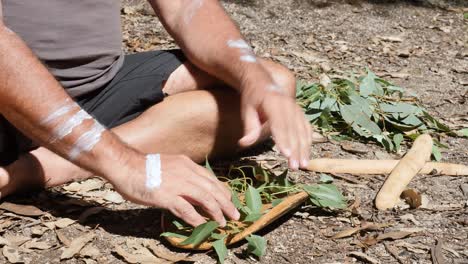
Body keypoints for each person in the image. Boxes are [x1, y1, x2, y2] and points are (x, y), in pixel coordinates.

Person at [0, 0, 311, 227]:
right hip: (9, 100)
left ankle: (51, 163)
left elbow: (187, 8)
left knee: (273, 85)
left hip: (102, 88)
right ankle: (81, 154)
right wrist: (127, 164)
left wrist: (252, 77)